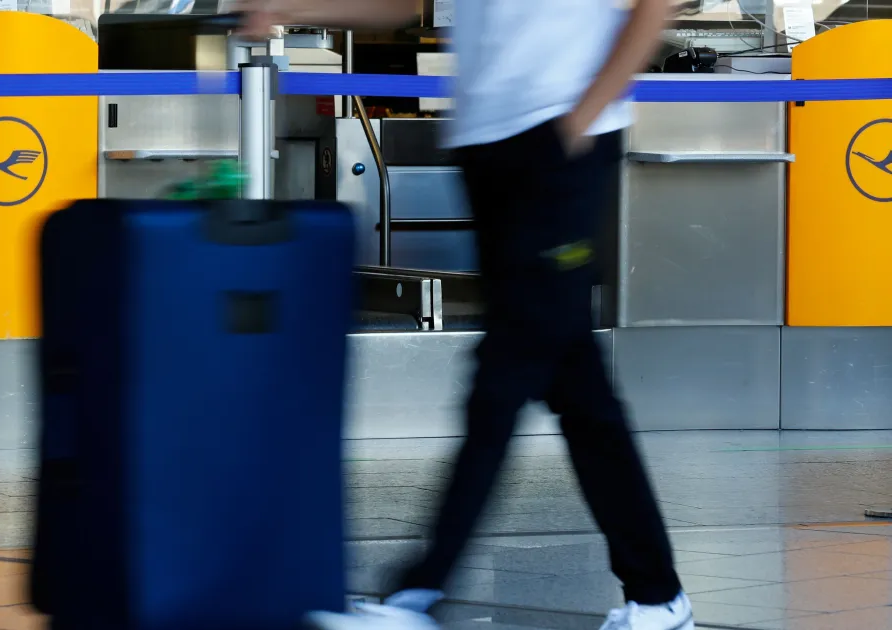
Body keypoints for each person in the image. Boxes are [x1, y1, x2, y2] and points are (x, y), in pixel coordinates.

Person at [240, 1, 693, 629]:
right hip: (490, 148)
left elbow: (653, 6)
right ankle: (657, 597)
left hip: (554, 141)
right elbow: (405, 4)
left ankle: (418, 592)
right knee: (577, 389)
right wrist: (286, 8)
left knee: (502, 378)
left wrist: (579, 123)